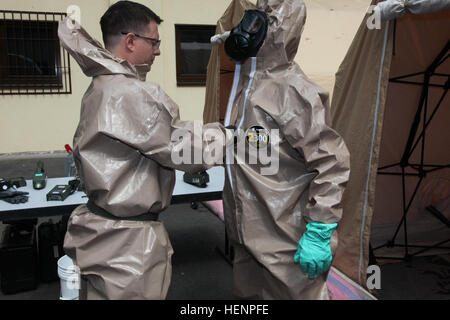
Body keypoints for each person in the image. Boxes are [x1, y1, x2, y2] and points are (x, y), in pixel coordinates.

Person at [58, 1, 230, 300]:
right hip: (128, 247)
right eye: (155, 42)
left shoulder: (102, 85)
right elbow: (183, 150)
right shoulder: (130, 93)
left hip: (102, 233)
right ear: (130, 41)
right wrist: (245, 141)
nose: (159, 51)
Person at [221, 0, 350, 299]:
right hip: (247, 238)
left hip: (287, 243)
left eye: (258, 22)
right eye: (247, 21)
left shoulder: (294, 90)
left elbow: (332, 162)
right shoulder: (248, 83)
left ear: (279, 28)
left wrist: (319, 231)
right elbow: (253, 151)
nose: (246, 30)